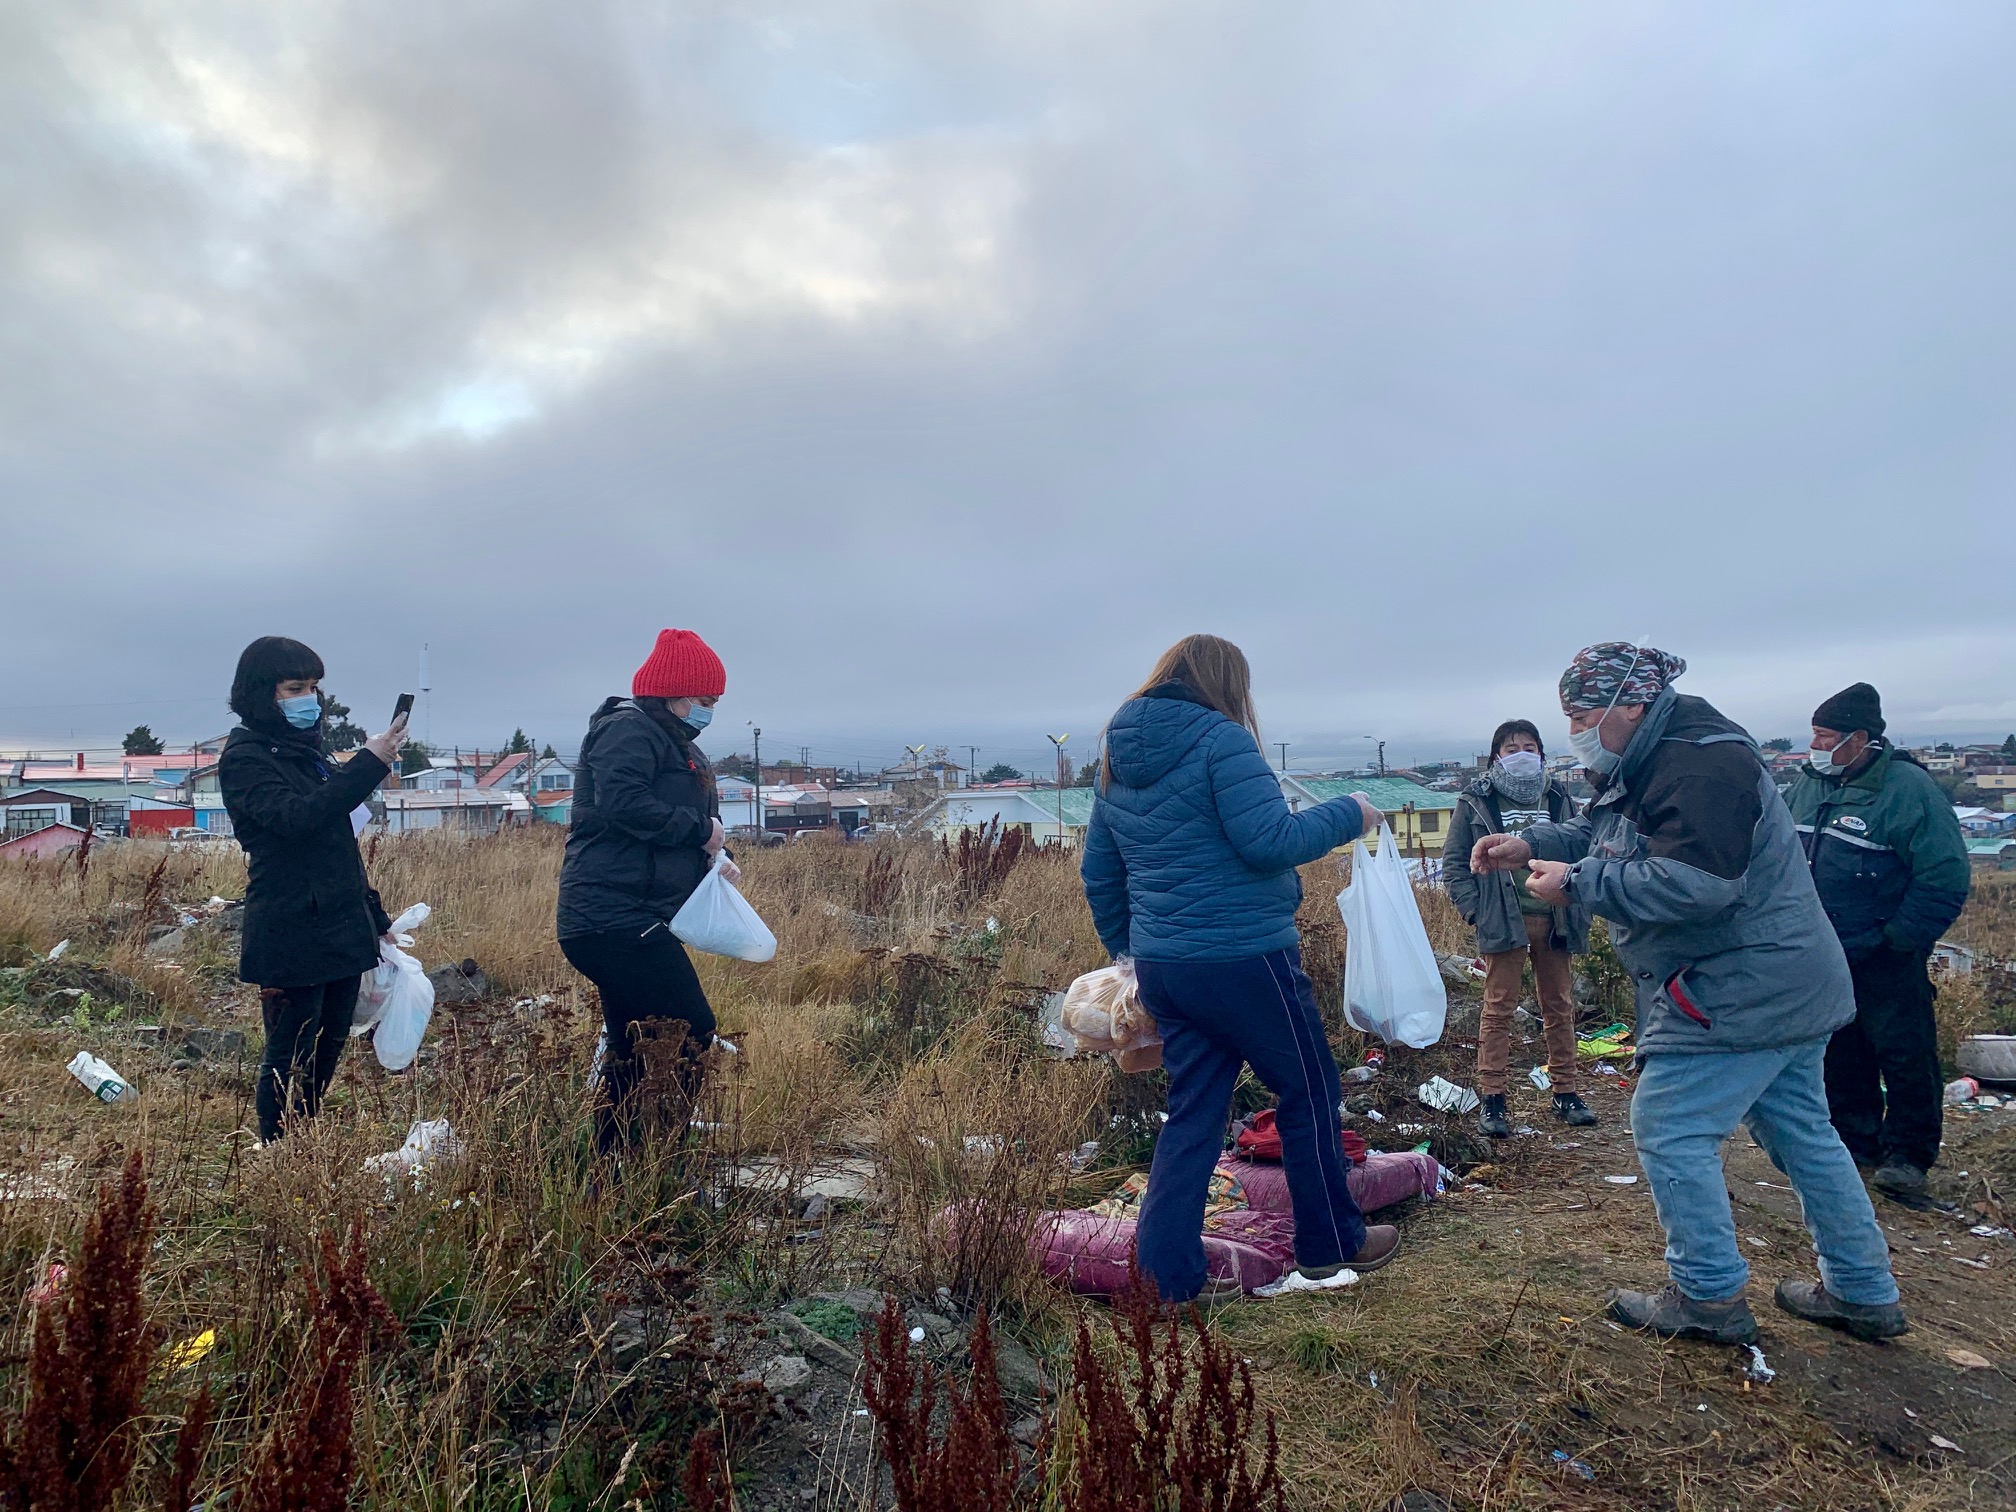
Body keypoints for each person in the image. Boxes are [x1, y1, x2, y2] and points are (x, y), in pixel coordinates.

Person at [1472, 643, 1906, 1343]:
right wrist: (1534, 843)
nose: (1577, 731)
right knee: (1803, 1132)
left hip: (1744, 985)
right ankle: (1862, 1287)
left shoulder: (1701, 762)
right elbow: (1606, 831)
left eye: (1581, 715)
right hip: (1783, 980)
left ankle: (1708, 1296)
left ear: (1628, 707)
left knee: (1669, 1125)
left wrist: (1579, 884)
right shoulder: (1661, 752)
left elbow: (1701, 884)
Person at [1080, 633, 1401, 1303]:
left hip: (1167, 967)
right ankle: (1330, 1246)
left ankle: (1165, 1279)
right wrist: (1351, 813)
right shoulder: (1223, 743)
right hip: (1246, 957)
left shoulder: (1115, 756)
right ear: (1227, 685)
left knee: (1193, 1112)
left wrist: (1131, 956)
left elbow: (1101, 875)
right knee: (1307, 1091)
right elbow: (1270, 842)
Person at [218, 636, 406, 1145]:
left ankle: (304, 1141)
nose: (310, 698)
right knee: (290, 1048)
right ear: (263, 693)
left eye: (315, 687)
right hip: (291, 924)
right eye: (295, 687)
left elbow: (337, 843)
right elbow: (297, 820)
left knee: (328, 1044)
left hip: (342, 926)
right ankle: (278, 1149)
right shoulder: (246, 758)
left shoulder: (307, 752)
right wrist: (369, 765)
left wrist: (376, 918)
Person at [557, 628, 737, 1156]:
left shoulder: (672, 742)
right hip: (610, 917)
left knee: (635, 1047)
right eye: (704, 700)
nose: (709, 711)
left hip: (633, 915)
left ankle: (617, 1168)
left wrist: (714, 857)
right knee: (689, 1032)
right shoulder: (627, 732)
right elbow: (625, 805)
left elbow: (669, 825)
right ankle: (658, 1155)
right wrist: (698, 831)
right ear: (671, 693)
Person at [1786, 683, 1969, 1197]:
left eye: (1825, 738)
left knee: (1904, 1052)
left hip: (1887, 952)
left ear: (1859, 739)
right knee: (1839, 1049)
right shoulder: (1806, 788)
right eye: (1814, 737)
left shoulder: (1908, 790)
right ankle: (1854, 1140)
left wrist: (1899, 939)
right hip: (1824, 952)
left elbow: (1944, 876)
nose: (1816, 748)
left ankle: (1908, 1155)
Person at [1444, 720, 1595, 1138]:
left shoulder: (1559, 796)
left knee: (1559, 1005)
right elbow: (1455, 864)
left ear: (1543, 754)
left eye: (1530, 746)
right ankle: (1493, 1098)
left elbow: (1581, 846)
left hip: (1556, 916)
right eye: (1512, 748)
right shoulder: (1475, 800)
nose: (1522, 753)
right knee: (1498, 1007)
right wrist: (1476, 911)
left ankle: (1566, 1091)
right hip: (1503, 920)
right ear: (1496, 756)